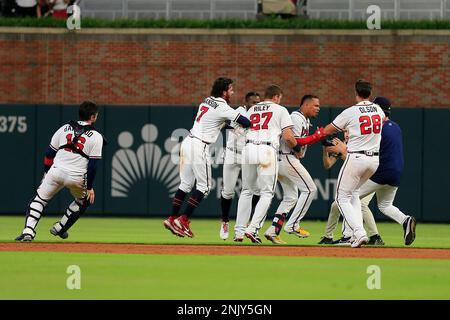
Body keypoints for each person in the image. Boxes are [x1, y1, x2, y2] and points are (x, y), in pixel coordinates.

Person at [298, 79, 386, 248]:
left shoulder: (351, 112)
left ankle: (358, 233)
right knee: (353, 194)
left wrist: (312, 138)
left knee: (340, 198)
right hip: (374, 160)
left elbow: (328, 130)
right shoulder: (379, 111)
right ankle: (356, 234)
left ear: (356, 93)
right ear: (370, 93)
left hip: (356, 158)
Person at [163, 77, 251, 238]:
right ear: (224, 91)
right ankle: (183, 220)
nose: (232, 92)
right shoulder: (223, 107)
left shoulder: (207, 100)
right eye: (230, 89)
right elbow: (246, 121)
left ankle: (172, 218)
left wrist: (230, 127)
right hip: (199, 146)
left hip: (188, 141)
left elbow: (216, 121)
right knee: (204, 186)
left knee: (186, 184)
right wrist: (241, 125)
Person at [16, 101, 105, 241]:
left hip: (56, 171)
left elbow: (49, 154)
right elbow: (92, 166)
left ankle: (28, 232)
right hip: (77, 177)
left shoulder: (64, 128)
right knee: (83, 201)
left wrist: (46, 172)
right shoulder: (96, 136)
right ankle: (60, 228)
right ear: (93, 117)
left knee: (39, 200)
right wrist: (89, 187)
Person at [235, 84, 303, 244]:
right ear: (277, 97)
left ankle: (238, 231)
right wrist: (298, 148)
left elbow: (241, 131)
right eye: (280, 98)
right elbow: (288, 136)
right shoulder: (280, 110)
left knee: (246, 191)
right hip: (266, 149)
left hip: (249, 147)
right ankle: (252, 229)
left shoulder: (251, 110)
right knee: (266, 193)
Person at [357, 96, 416, 246]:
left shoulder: (377, 128)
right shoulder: (396, 126)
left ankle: (354, 234)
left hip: (382, 171)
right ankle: (405, 220)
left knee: (350, 196)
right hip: (396, 172)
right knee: (385, 205)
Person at [263, 94, 320, 244]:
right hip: (287, 158)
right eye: (315, 105)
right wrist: (317, 136)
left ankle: (273, 231)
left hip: (283, 160)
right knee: (310, 189)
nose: (318, 108)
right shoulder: (295, 117)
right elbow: (292, 140)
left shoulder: (304, 119)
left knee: (291, 197)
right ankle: (293, 224)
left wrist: (319, 139)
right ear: (306, 105)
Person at [318, 130, 384, 245]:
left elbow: (357, 161)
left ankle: (371, 236)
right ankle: (328, 237)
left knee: (358, 203)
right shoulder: (343, 143)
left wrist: (343, 152)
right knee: (336, 205)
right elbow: (327, 164)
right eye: (345, 132)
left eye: (350, 131)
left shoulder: (362, 141)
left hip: (369, 179)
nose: (347, 134)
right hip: (357, 180)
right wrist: (325, 148)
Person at [219, 91, 261, 241]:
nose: (255, 105)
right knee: (228, 192)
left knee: (254, 190)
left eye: (258, 102)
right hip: (232, 154)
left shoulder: (259, 114)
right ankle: (225, 221)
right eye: (253, 102)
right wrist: (233, 128)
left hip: (247, 155)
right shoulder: (239, 112)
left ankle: (245, 222)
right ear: (246, 102)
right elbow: (224, 124)